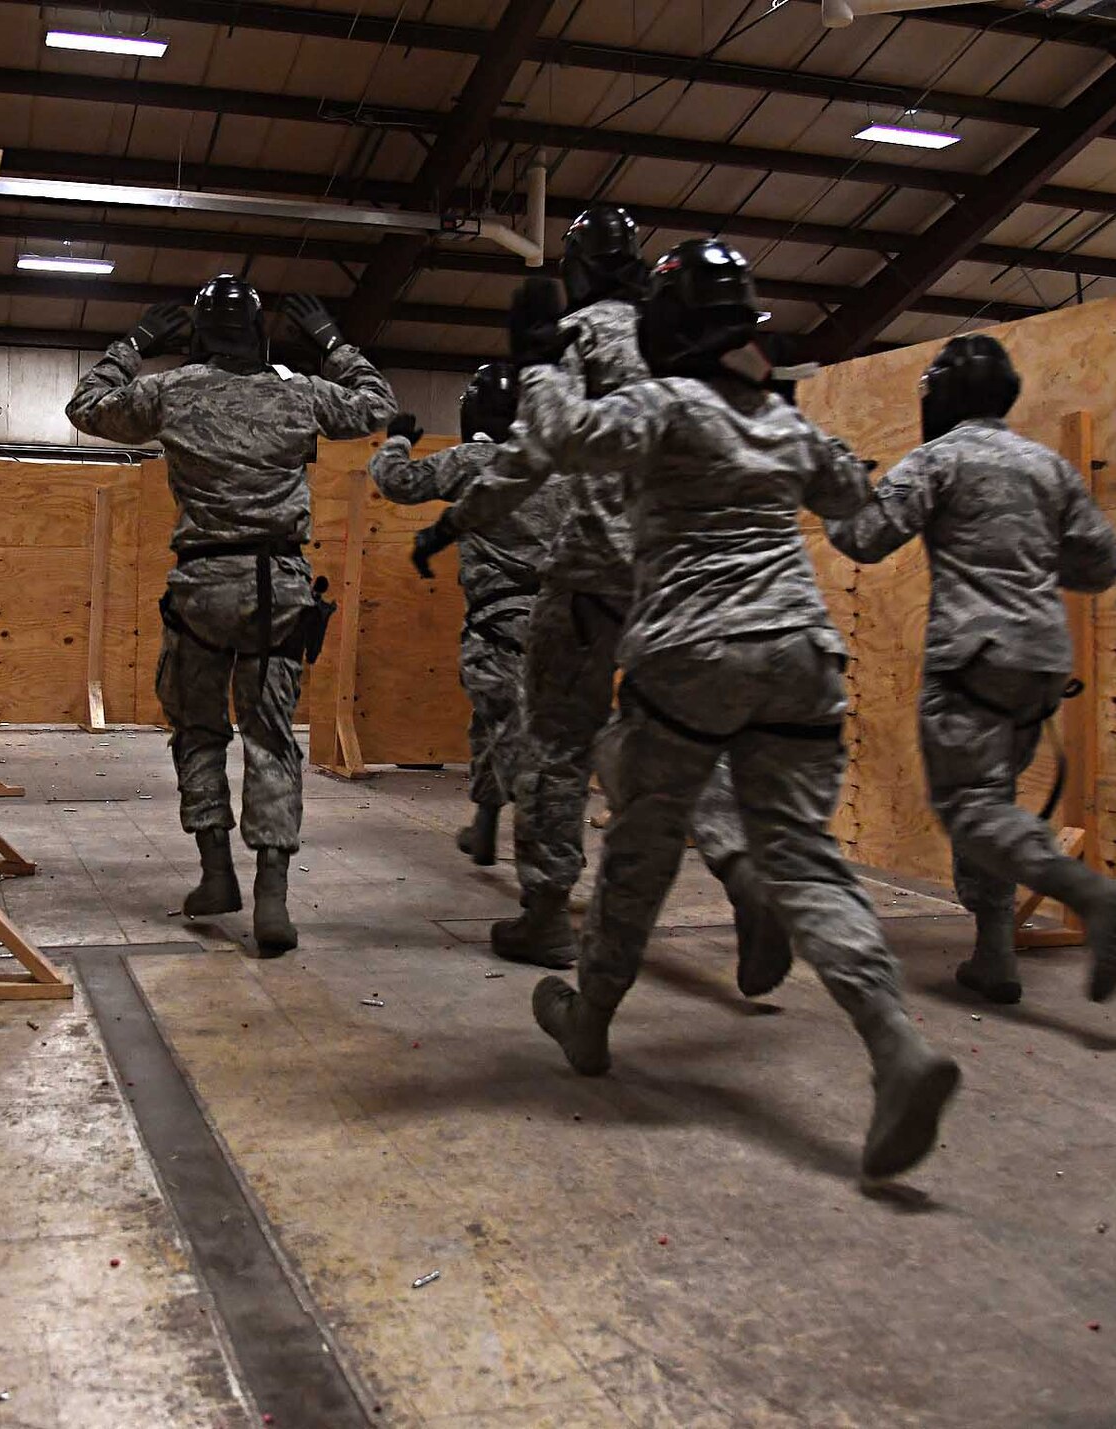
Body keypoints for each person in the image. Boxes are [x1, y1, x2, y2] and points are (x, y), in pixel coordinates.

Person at [461, 241, 961, 1180]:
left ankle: (592, 1019)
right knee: (805, 856)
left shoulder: (665, 404)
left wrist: (535, 357)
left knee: (640, 847)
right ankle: (895, 1042)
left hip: (691, 650)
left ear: (668, 328)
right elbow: (863, 526)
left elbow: (567, 439)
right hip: (805, 654)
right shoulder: (785, 421)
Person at [416, 208, 790, 1001]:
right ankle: (745, 866)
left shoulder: (573, 336)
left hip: (591, 575)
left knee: (556, 739)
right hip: (682, 567)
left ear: (578, 266)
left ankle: (546, 914)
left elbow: (535, 453)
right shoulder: (682, 334)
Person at [66, 278, 397, 954]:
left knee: (197, 731)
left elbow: (85, 406)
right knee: (271, 737)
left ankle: (217, 873)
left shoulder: (172, 390)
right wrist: (333, 341)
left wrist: (133, 344)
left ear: (196, 336)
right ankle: (271, 899)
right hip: (279, 587)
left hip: (202, 587)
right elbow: (377, 405)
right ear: (258, 333)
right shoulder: (298, 391)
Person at [821, 334, 1116, 1005]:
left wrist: (839, 491)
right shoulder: (1048, 467)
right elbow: (1101, 564)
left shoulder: (938, 459)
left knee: (970, 808)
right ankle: (995, 958)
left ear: (940, 396)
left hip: (972, 658)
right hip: (1040, 661)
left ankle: (1097, 896)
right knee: (990, 803)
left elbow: (865, 538)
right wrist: (1024, 564)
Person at [369, 364, 557, 864]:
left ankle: (542, 879)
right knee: (502, 726)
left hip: (498, 627)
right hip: (559, 628)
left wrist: (397, 441)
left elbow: (397, 482)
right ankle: (484, 826)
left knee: (509, 736)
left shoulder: (474, 461)